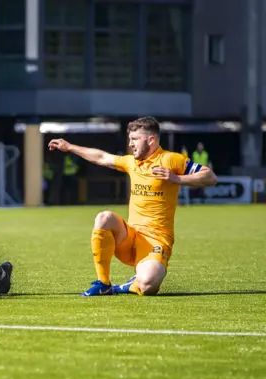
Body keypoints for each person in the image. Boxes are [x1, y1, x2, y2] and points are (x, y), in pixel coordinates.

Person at [48, 116, 217, 296]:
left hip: (156, 241)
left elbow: (210, 176)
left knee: (147, 286)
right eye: (130, 139)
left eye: (135, 139)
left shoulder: (171, 160)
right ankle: (104, 284)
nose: (131, 144)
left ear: (151, 139)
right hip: (129, 237)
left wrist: (176, 179)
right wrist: (70, 147)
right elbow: (102, 157)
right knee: (104, 218)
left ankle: (129, 285)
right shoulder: (131, 162)